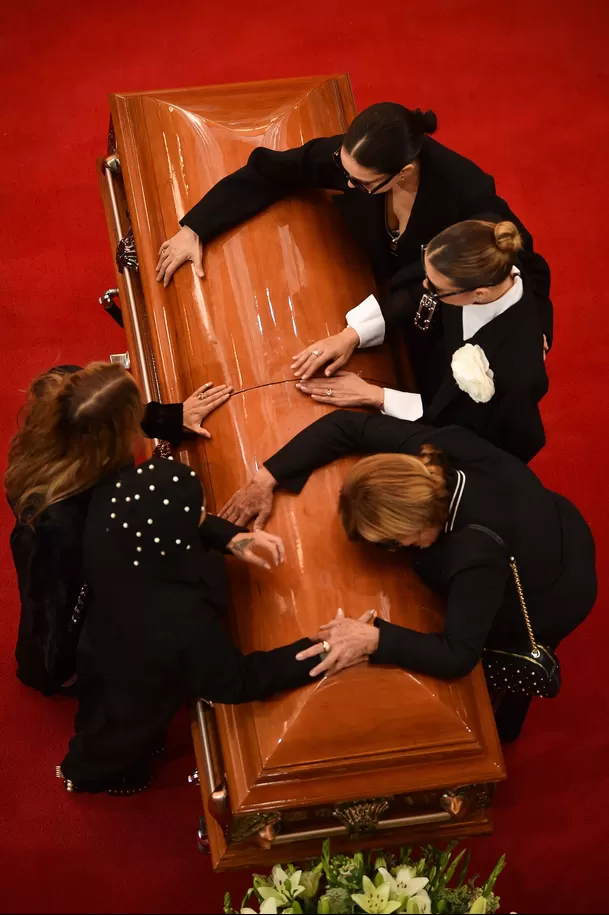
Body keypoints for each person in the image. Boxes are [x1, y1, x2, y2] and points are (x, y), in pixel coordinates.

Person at [219, 410, 596, 742]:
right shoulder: (427, 456)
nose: (388, 550)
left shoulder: (474, 553)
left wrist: (373, 639)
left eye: (390, 542)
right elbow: (348, 425)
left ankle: (503, 727)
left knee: (514, 666)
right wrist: (267, 477)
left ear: (416, 530)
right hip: (547, 517)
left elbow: (458, 655)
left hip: (552, 589)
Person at [156, 102, 552, 347]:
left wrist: (539, 330)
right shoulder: (354, 162)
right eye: (344, 171)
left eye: (360, 183)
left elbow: (520, 255)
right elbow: (274, 169)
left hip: (438, 309)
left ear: (404, 173)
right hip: (379, 287)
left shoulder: (464, 191)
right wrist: (197, 227)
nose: (346, 184)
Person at [58, 456, 322, 795]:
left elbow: (170, 518)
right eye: (197, 512)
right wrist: (318, 650)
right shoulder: (183, 622)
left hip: (102, 638)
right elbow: (235, 683)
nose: (203, 515)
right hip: (145, 682)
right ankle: (84, 775)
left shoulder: (110, 500)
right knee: (116, 736)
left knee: (102, 710)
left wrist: (231, 538)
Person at [6, 362, 232, 696]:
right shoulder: (60, 523)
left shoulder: (67, 404)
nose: (138, 431)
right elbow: (54, 607)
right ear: (109, 444)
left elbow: (106, 409)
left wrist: (169, 417)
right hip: (82, 608)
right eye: (133, 427)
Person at [293, 219, 549, 463]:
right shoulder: (479, 251)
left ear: (479, 294)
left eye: (435, 287)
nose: (425, 285)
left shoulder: (518, 372)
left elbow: (467, 436)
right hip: (428, 365)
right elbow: (416, 292)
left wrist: (377, 396)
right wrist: (351, 334)